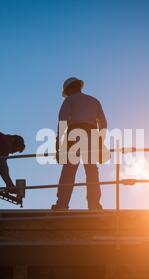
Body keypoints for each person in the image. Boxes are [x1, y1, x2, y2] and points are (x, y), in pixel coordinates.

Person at [52, 77, 107, 210]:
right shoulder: (94, 101)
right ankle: (94, 204)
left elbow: (63, 122)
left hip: (74, 135)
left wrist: (58, 144)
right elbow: (103, 123)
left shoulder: (69, 100)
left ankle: (62, 204)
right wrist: (99, 141)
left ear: (69, 89)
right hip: (92, 135)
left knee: (68, 172)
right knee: (92, 171)